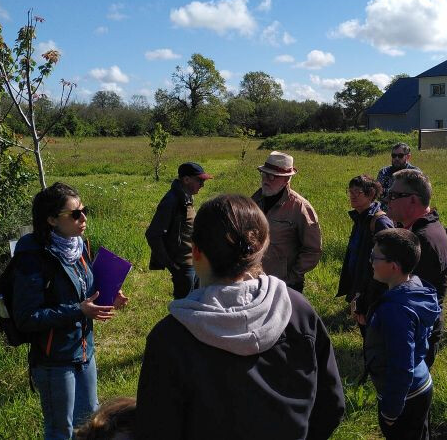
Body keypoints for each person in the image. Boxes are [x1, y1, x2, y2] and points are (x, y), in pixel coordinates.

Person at [135, 194, 345, 440]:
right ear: (263, 246)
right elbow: (331, 405)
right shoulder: (298, 311)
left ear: (196, 251)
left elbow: (156, 428)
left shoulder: (170, 336)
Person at [13, 182, 128, 440]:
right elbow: (26, 317)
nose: (83, 218)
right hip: (54, 361)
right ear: (52, 219)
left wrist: (108, 294)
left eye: (84, 211)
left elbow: (84, 288)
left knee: (91, 425)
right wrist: (79, 310)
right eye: (75, 214)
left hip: (85, 352)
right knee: (60, 431)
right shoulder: (33, 256)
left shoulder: (78, 246)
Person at [366, 229, 440, 440]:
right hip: (420, 384)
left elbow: (401, 365)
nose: (371, 262)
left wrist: (391, 410)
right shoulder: (414, 286)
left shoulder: (395, 310)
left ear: (394, 266)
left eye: (375, 257)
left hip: (406, 397)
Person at [385, 169, 447, 368]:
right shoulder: (421, 228)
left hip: (418, 333)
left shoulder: (422, 240)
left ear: (413, 200)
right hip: (417, 327)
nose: (387, 200)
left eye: (393, 195)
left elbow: (413, 296)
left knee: (410, 383)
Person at [251, 151, 322, 292]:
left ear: (287, 179)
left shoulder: (300, 208)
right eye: (265, 174)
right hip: (255, 281)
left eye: (273, 176)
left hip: (284, 286)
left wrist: (292, 278)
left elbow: (313, 250)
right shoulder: (254, 201)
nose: (267, 179)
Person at [145, 162, 213, 299]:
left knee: (196, 302)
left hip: (195, 262)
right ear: (186, 179)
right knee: (184, 306)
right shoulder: (172, 201)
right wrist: (170, 264)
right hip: (183, 266)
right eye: (199, 181)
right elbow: (153, 234)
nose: (202, 185)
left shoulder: (186, 197)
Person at [336, 175, 395, 329]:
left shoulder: (380, 222)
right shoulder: (361, 218)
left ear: (371, 194)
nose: (352, 195)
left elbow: (390, 260)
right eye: (350, 191)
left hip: (373, 287)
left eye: (357, 192)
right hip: (360, 283)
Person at [377, 142, 421, 211]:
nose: (396, 158)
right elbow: (378, 194)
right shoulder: (383, 172)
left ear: (408, 157)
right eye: (394, 155)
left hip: (406, 211)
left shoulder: (414, 173)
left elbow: (419, 196)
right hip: (385, 211)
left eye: (400, 156)